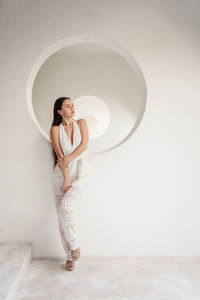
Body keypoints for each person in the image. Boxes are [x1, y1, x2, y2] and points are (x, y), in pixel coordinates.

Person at [50, 97, 89, 271]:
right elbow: (59, 157)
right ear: (59, 111)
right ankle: (69, 256)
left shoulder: (81, 123)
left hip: (80, 174)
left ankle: (75, 244)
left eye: (73, 105)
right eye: (68, 106)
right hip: (61, 176)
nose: (72, 108)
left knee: (67, 206)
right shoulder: (55, 129)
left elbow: (84, 145)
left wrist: (69, 159)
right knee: (62, 220)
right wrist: (66, 177)